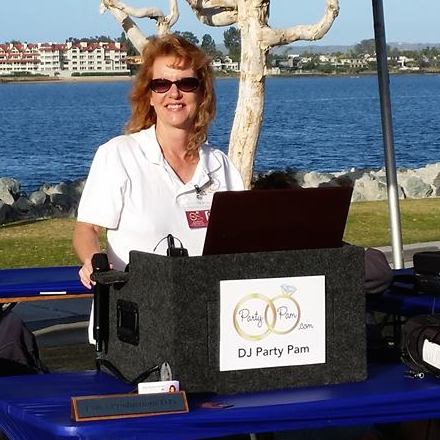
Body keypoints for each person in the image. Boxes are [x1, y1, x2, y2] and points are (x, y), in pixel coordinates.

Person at [73, 34, 244, 341]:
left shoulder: (222, 166)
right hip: (135, 328)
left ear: (202, 92)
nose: (174, 93)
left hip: (212, 324)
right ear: (149, 95)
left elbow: (245, 245)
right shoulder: (118, 155)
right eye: (161, 84)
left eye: (186, 83)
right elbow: (86, 230)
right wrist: (93, 261)